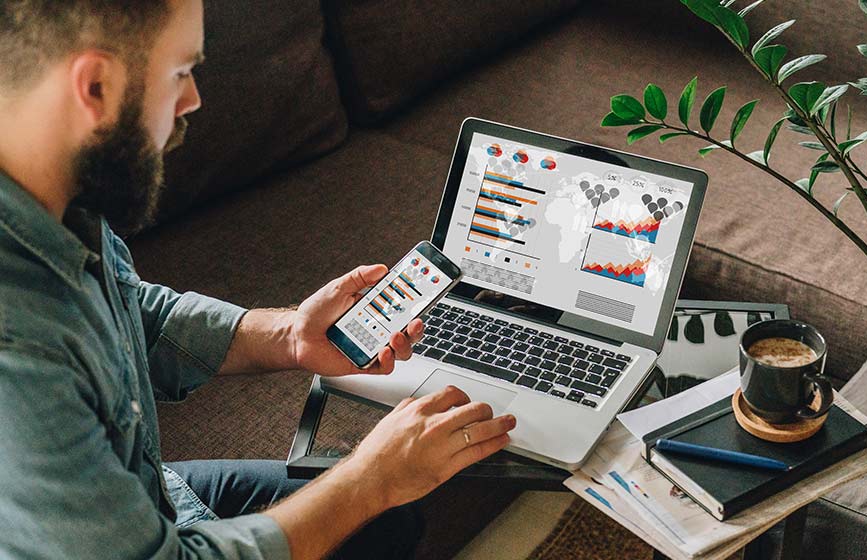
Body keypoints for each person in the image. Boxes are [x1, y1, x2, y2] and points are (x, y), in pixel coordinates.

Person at [0, 1, 517, 558]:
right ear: (95, 85)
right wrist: (372, 477)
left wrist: (289, 335)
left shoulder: (59, 189)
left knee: (390, 522)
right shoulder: (18, 355)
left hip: (152, 493)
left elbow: (127, 313)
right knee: (376, 498)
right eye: (180, 72)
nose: (193, 99)